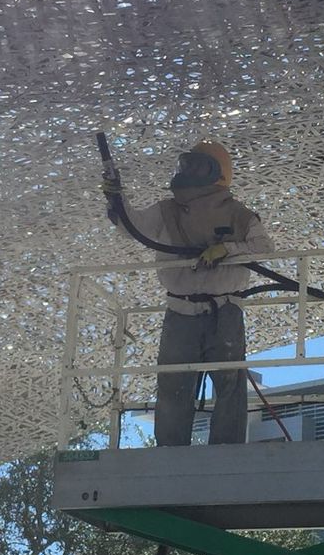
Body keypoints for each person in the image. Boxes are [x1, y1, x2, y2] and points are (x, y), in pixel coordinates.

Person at [105, 141, 273, 446]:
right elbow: (133, 226)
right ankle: (170, 450)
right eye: (187, 165)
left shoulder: (239, 214)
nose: (188, 173)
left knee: (229, 382)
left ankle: (226, 448)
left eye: (197, 166)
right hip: (180, 310)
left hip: (224, 309)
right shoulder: (166, 211)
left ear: (217, 174)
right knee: (173, 383)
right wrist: (115, 199)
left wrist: (228, 249)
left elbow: (264, 248)